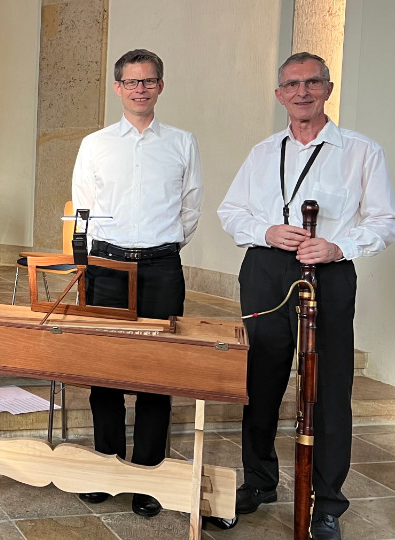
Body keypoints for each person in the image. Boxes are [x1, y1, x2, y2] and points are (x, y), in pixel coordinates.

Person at [218, 52, 395, 540]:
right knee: (261, 378)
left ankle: (327, 502)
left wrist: (340, 244)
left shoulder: (361, 150)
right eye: (292, 85)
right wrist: (267, 230)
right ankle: (259, 481)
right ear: (279, 95)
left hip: (330, 271)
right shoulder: (262, 151)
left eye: (312, 82)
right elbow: (230, 211)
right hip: (265, 270)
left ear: (328, 89)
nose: (302, 92)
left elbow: (383, 221)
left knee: (329, 388)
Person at [71, 48, 203, 518]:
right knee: (103, 368)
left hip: (162, 266)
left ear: (161, 86)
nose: (140, 89)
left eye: (148, 81)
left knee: (157, 371)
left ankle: (149, 474)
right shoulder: (96, 143)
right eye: (131, 82)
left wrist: (157, 248)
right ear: (117, 88)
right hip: (107, 266)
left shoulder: (183, 142)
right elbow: (83, 208)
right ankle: (107, 465)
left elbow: (190, 209)